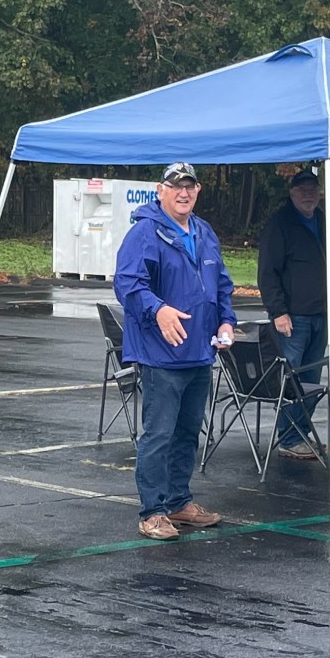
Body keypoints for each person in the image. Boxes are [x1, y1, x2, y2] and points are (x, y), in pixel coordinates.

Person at [114, 161, 237, 539]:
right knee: (159, 433)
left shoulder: (204, 232)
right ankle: (152, 511)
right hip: (161, 355)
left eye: (190, 186)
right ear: (160, 190)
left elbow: (222, 285)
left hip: (200, 352)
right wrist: (159, 310)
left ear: (198, 191)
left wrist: (226, 321)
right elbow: (128, 284)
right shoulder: (145, 233)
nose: (183, 192)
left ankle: (179, 502)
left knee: (187, 432)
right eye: (176, 186)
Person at [256, 167, 330, 460]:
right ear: (292, 193)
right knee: (292, 382)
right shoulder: (279, 225)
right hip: (293, 319)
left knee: (312, 382)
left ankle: (301, 433)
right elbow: (267, 273)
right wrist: (278, 311)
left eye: (312, 189)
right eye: (302, 189)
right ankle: (289, 439)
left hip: (322, 316)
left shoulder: (322, 221)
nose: (308, 194)